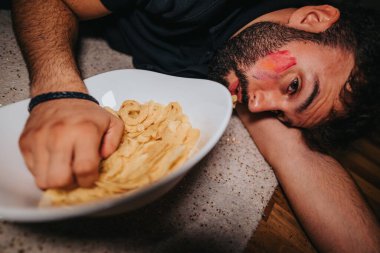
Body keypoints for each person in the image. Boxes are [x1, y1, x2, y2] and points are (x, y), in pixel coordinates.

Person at [11, 0, 380, 252]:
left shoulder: (253, 65)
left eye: (281, 114)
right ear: (312, 19)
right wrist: (57, 91)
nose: (256, 105)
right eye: (293, 86)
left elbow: (301, 159)